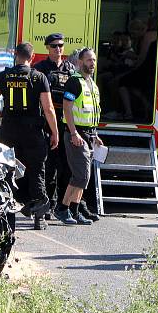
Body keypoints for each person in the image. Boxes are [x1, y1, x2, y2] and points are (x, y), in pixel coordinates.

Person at [0, 42, 59, 230]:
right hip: (33, 132)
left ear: (15, 55)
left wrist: (2, 115)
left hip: (9, 131)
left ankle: (8, 218)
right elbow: (49, 109)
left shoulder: (4, 76)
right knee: (36, 172)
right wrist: (55, 132)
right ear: (32, 57)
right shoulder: (38, 77)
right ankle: (39, 217)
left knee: (9, 172)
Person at [32, 34, 91, 220]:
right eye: (54, 46)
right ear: (47, 48)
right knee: (48, 167)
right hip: (47, 124)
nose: (58, 49)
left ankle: (66, 207)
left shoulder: (71, 69)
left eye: (61, 46)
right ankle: (47, 205)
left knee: (67, 167)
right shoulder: (40, 70)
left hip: (66, 124)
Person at [56, 47, 103, 226]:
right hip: (76, 134)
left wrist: (95, 135)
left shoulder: (91, 84)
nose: (92, 64)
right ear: (81, 62)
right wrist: (74, 132)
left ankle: (74, 211)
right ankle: (62, 208)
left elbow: (92, 112)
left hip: (88, 135)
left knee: (84, 176)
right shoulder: (74, 82)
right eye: (89, 60)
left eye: (94, 60)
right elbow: (67, 108)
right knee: (81, 175)